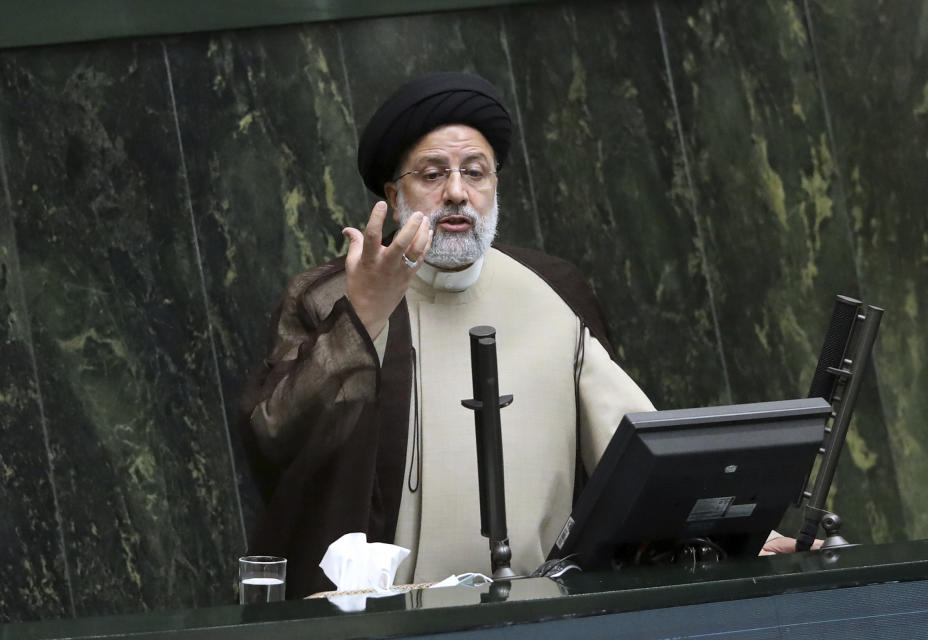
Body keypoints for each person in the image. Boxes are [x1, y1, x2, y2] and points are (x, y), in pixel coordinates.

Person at [240, 71, 654, 597]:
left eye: (475, 173)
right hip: (385, 621)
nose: (457, 192)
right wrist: (362, 317)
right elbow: (274, 440)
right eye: (433, 175)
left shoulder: (555, 290)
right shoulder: (326, 297)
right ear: (395, 192)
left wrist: (731, 529)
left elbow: (639, 450)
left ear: (495, 185)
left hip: (539, 611)